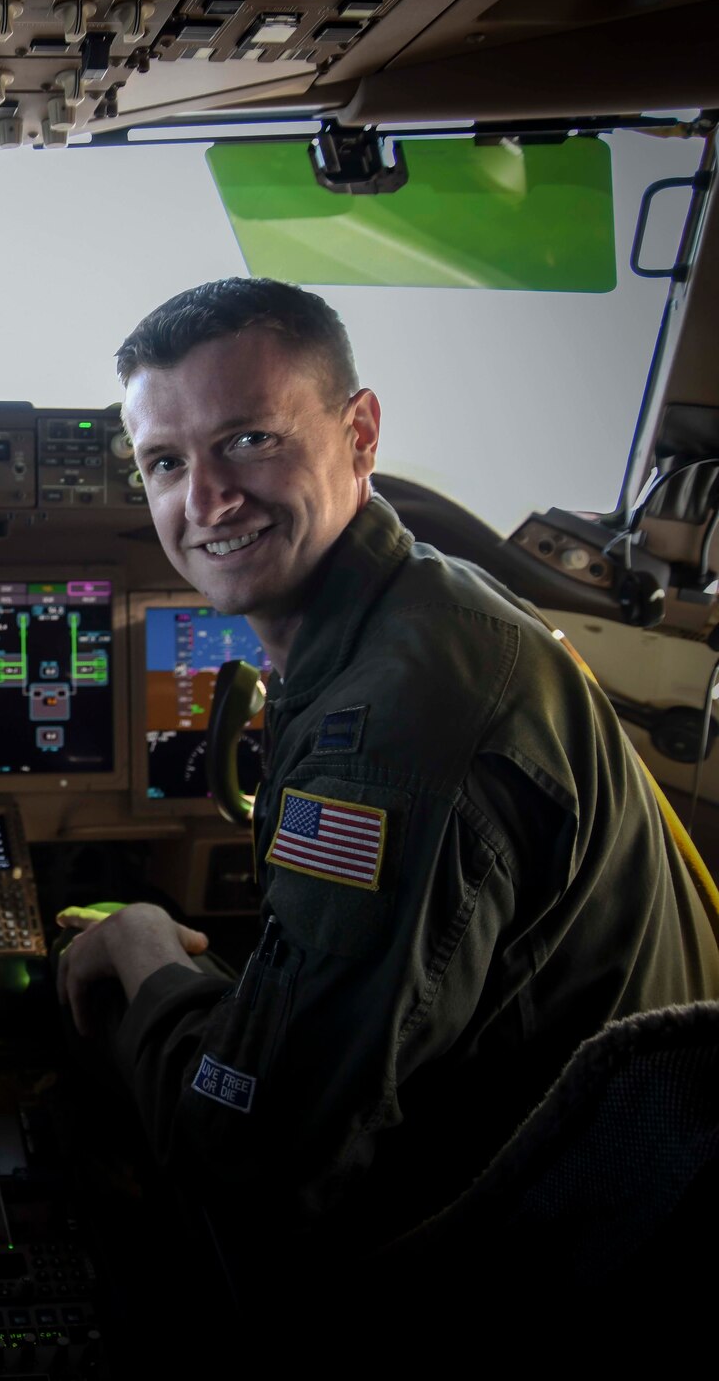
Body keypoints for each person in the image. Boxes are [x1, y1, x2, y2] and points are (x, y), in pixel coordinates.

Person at [56, 279, 719, 1280]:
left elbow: (256, 1159)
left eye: (247, 439)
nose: (203, 501)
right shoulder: (428, 606)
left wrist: (146, 952)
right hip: (591, 1181)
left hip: (530, 1246)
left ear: (359, 431)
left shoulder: (393, 736)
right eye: (164, 461)